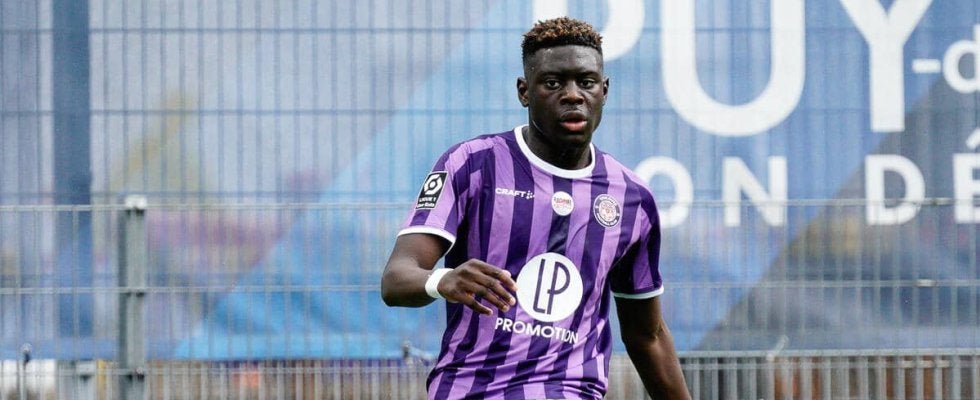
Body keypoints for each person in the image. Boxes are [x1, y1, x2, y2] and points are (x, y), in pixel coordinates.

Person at [380, 17, 690, 400]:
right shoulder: (471, 165)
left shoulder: (631, 199)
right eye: (553, 83)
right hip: (470, 390)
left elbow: (648, 335)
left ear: (604, 90)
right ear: (524, 92)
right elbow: (397, 278)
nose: (573, 95)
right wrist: (441, 280)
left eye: (586, 82)